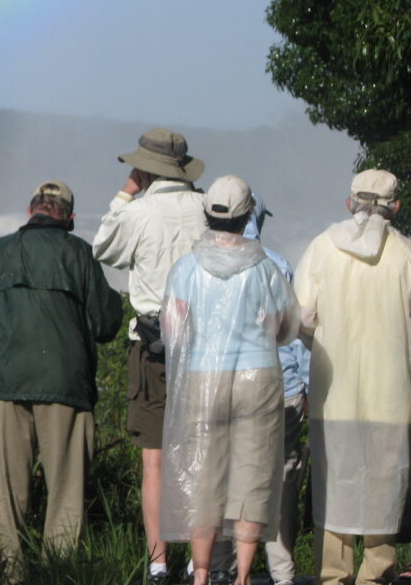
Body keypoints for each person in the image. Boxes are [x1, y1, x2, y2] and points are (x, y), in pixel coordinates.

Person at [0, 180, 123, 572]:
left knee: (4, 491)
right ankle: (59, 572)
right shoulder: (80, 254)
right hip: (65, 387)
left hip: (7, 385)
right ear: (69, 218)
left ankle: (5, 572)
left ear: (30, 211)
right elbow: (105, 325)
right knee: (66, 492)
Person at [159, 175, 300, 585]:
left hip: (204, 378)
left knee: (205, 477)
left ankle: (202, 574)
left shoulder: (186, 267)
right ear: (248, 215)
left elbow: (173, 328)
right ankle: (242, 578)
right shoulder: (265, 267)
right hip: (257, 378)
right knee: (253, 477)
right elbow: (284, 326)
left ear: (208, 214)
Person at [93, 127, 207, 583]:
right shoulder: (206, 208)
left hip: (151, 345)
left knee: (155, 460)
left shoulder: (138, 213)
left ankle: (159, 563)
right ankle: (203, 566)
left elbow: (103, 247)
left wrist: (124, 195)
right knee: (199, 457)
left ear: (145, 169)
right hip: (202, 347)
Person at [294, 169, 411, 585]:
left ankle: (333, 574)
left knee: (335, 482)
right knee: (385, 480)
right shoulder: (405, 253)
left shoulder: (322, 248)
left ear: (350, 203)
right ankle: (376, 572)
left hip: (334, 390)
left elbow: (301, 317)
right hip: (392, 393)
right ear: (394, 207)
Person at [244, 195, 309, 585]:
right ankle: (282, 570)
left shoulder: (202, 263)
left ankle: (229, 566)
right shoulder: (278, 263)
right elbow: (295, 333)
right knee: (282, 477)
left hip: (229, 388)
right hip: (281, 386)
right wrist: (305, 383)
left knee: (235, 475)